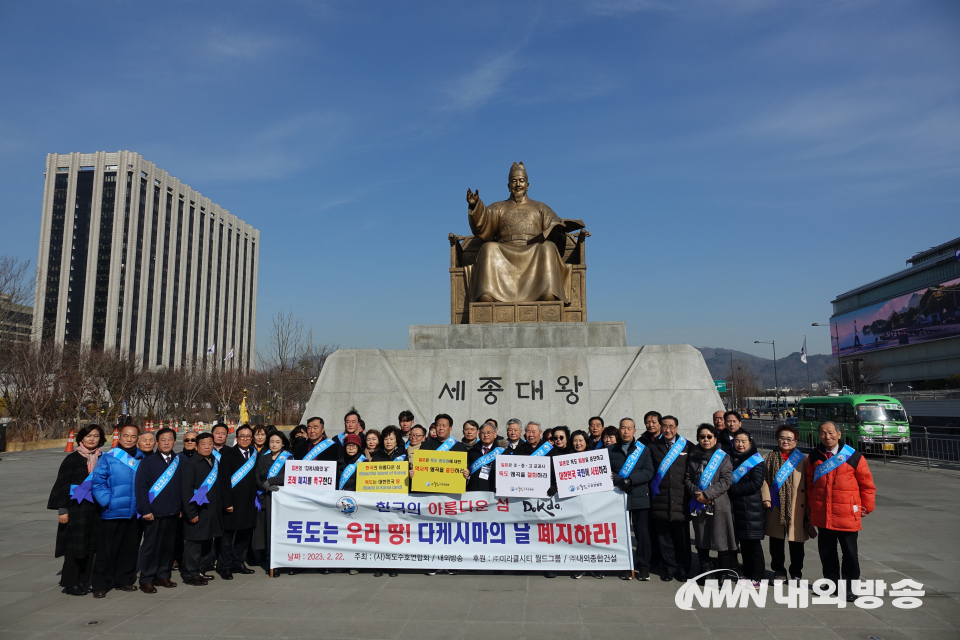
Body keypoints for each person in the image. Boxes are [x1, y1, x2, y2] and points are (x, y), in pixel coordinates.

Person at [807, 421, 876, 602]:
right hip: (823, 514)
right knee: (827, 552)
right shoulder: (814, 456)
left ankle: (850, 587)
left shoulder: (853, 457)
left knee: (850, 553)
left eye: (830, 433)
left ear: (839, 434)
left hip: (847, 514)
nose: (827, 437)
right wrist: (810, 506)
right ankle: (831, 584)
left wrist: (866, 507)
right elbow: (808, 484)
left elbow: (867, 485)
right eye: (822, 433)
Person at [48, 424, 105, 596]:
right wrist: (62, 510)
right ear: (81, 438)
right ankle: (70, 582)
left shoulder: (103, 459)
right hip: (76, 510)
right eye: (88, 435)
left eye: (95, 436)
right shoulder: (72, 459)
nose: (92, 439)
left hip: (96, 510)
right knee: (74, 548)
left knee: (90, 547)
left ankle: (83, 580)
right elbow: (62, 485)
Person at [90, 424, 144, 597]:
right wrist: (108, 502)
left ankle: (124, 580)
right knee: (107, 550)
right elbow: (98, 482)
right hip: (112, 512)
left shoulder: (142, 458)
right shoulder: (108, 457)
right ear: (119, 437)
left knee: (129, 549)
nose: (129, 439)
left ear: (137, 438)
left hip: (134, 513)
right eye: (126, 436)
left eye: (133, 436)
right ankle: (100, 584)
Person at [761, 423, 813, 582]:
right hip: (775, 505)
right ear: (777, 439)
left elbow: (809, 483)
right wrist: (766, 496)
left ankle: (796, 572)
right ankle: (779, 571)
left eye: (789, 439)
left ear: (796, 441)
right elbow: (763, 480)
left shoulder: (802, 459)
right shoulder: (769, 457)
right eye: (782, 438)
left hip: (797, 506)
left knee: (797, 544)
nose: (785, 441)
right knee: (776, 543)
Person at [685, 424, 736, 582]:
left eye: (709, 437)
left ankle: (723, 574)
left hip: (718, 504)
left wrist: (707, 494)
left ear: (715, 438)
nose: (705, 440)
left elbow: (726, 481)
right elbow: (687, 478)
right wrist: (696, 493)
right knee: (701, 538)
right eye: (702, 437)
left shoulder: (723, 457)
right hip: (698, 505)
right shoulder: (693, 456)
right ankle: (705, 570)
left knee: (722, 540)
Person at [134, 427, 181, 593]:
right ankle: (147, 578)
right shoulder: (148, 462)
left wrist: (180, 507)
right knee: (151, 547)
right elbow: (140, 488)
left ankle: (163, 575)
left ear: (175, 442)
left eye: (170, 439)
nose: (166, 442)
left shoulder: (178, 460)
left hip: (173, 512)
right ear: (157, 443)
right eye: (163, 439)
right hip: (153, 513)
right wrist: (145, 509)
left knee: (168, 547)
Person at [609, 418, 655, 581]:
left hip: (639, 496)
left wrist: (630, 480)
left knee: (642, 535)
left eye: (629, 428)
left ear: (635, 431)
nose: (626, 431)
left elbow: (649, 472)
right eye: (623, 428)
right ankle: (625, 566)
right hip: (617, 499)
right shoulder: (610, 450)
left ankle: (643, 566)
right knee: (621, 534)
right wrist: (619, 480)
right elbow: (604, 472)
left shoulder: (643, 450)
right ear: (619, 430)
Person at [650, 415, 692, 582]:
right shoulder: (653, 447)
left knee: (682, 538)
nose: (668, 430)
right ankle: (669, 568)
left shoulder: (688, 447)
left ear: (676, 428)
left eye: (671, 426)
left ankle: (683, 568)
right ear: (660, 427)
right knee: (664, 537)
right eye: (665, 426)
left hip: (681, 499)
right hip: (660, 499)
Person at [180, 433, 224, 586]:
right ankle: (190, 574)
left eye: (210, 443)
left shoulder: (213, 461)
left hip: (211, 511)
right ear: (197, 446)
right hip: (198, 511)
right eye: (203, 444)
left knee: (206, 542)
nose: (207, 446)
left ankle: (200, 570)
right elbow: (186, 490)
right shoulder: (191, 464)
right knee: (194, 545)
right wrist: (191, 512)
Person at [218, 425, 259, 580]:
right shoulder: (229, 455)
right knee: (227, 537)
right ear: (236, 438)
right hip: (232, 502)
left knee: (244, 535)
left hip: (249, 502)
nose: (245, 439)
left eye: (248, 436)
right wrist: (227, 502)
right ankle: (225, 566)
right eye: (242, 436)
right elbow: (224, 481)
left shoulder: (254, 453)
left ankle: (238, 563)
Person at [728, 430, 766, 587]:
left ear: (750, 442)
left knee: (754, 544)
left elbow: (755, 484)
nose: (740, 444)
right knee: (744, 543)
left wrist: (731, 489)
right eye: (737, 441)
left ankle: (758, 576)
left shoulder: (756, 460)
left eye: (743, 441)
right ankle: (748, 573)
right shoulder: (730, 458)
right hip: (737, 508)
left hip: (751, 508)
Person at [254, 431, 292, 576]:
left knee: (278, 530)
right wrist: (263, 485)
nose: (274, 444)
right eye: (271, 442)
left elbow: (289, 475)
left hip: (281, 499)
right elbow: (256, 476)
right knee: (266, 529)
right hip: (265, 498)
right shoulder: (263, 458)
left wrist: (272, 481)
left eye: (277, 442)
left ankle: (278, 560)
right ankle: (268, 557)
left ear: (282, 443)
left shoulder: (289, 458)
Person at [175, 431, 198, 567]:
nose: (190, 442)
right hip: (180, 502)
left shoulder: (202, 457)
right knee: (177, 534)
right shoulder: (177, 458)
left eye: (193, 440)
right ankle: (177, 557)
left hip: (198, 501)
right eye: (187, 440)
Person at [465, 423, 501, 493]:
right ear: (479, 434)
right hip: (474, 491)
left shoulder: (502, 452)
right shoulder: (472, 451)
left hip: (493, 492)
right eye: (483, 433)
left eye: (488, 433)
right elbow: (468, 469)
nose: (486, 435)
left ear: (495, 434)